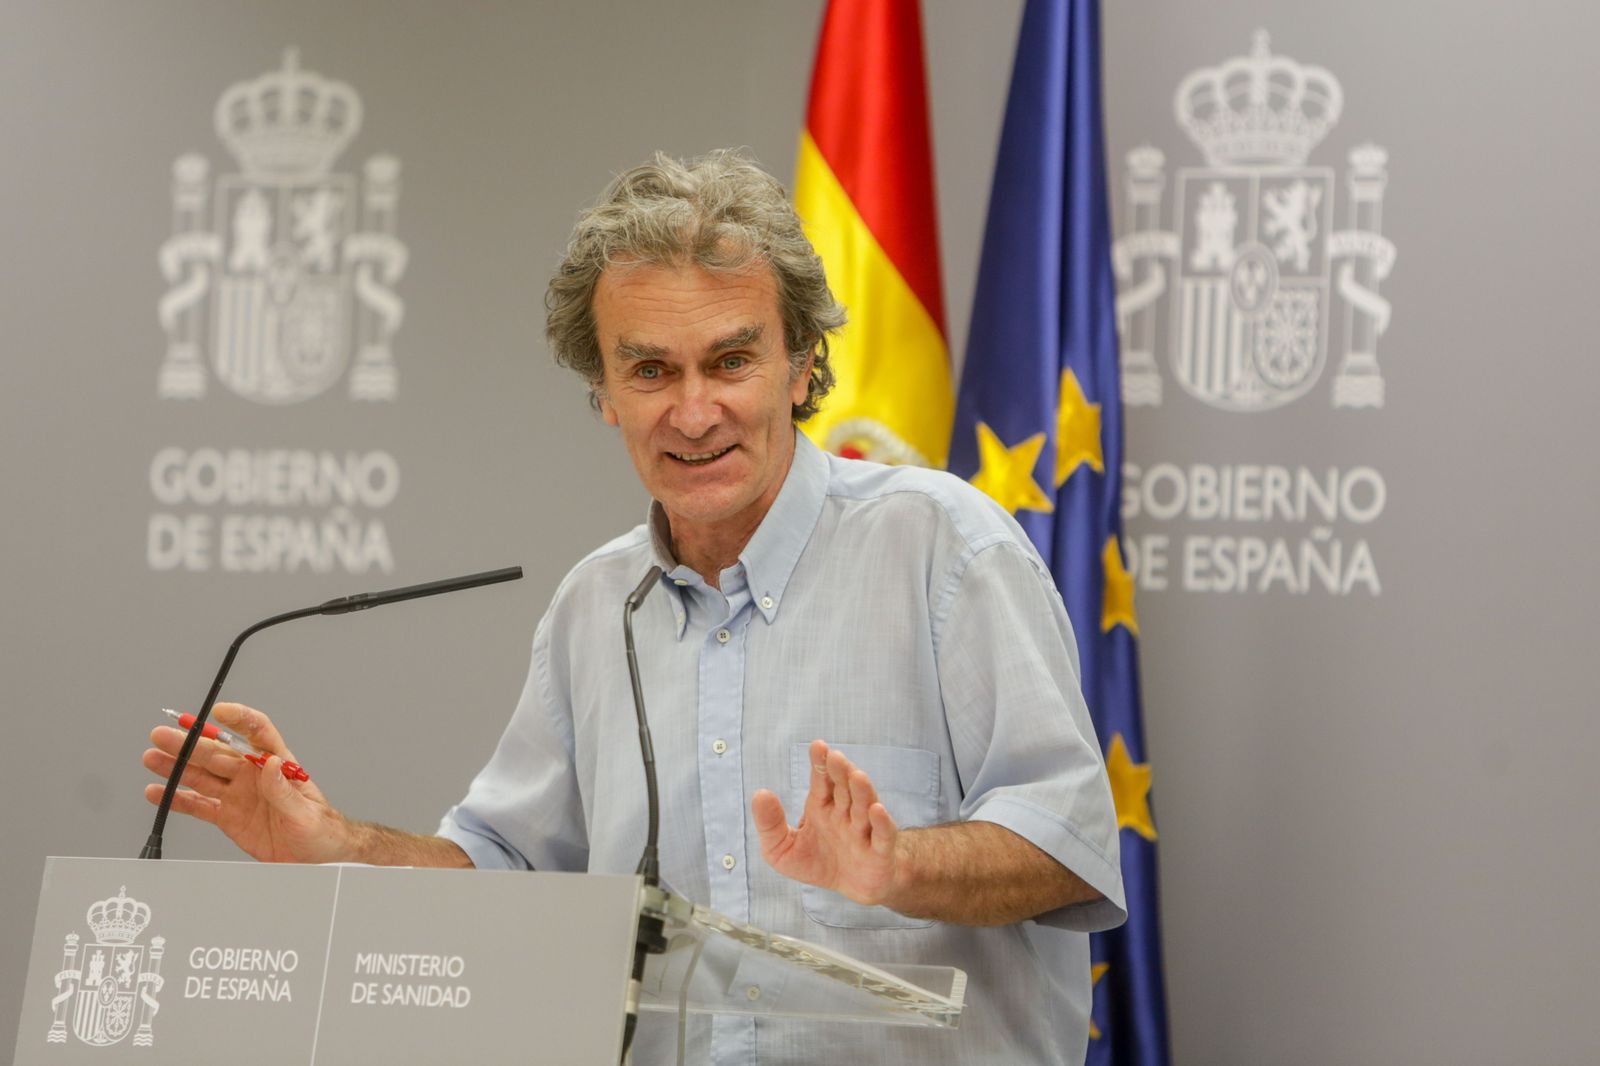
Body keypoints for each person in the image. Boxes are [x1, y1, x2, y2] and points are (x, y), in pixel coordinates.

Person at [143, 149, 1126, 1064]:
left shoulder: (945, 549)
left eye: (731, 361)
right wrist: (338, 845)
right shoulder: (594, 607)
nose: (692, 411)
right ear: (602, 392)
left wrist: (894, 867)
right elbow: (505, 875)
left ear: (801, 369)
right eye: (650, 369)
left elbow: (1069, 845)